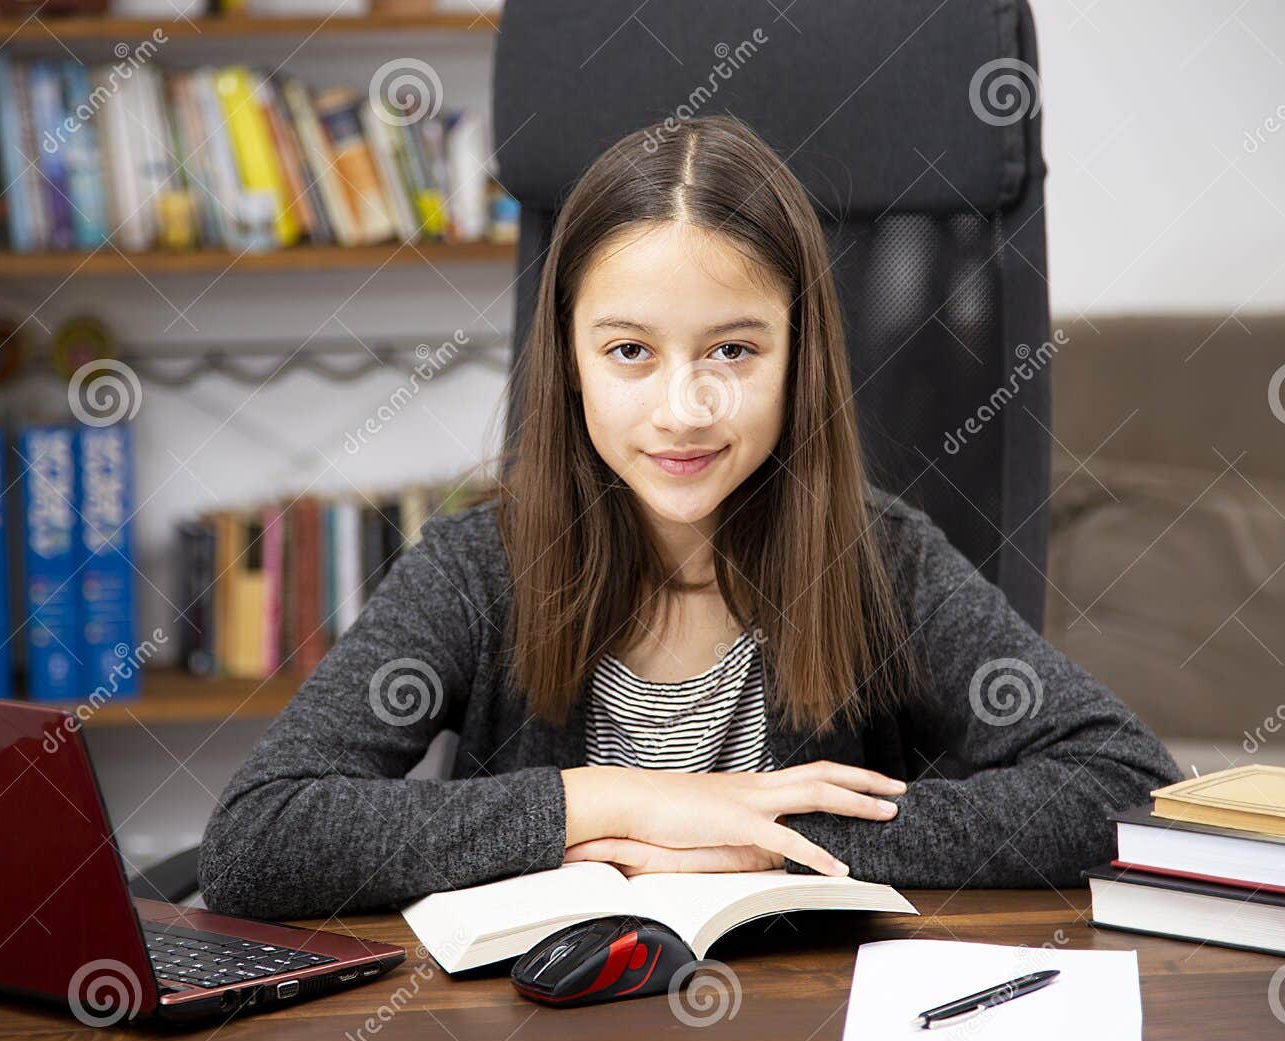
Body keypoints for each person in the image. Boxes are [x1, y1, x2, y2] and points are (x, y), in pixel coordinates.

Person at [198, 114, 1181, 921]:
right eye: (630, 351)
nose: (683, 409)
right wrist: (616, 800)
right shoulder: (475, 567)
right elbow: (257, 837)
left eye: (733, 351)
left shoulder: (879, 559)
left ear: (798, 357)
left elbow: (1125, 784)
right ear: (567, 358)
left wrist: (774, 837)